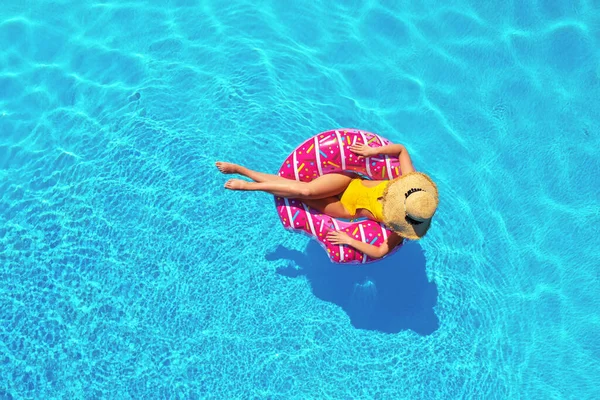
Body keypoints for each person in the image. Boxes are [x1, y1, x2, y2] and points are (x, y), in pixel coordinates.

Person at [216, 142, 438, 259]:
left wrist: (349, 240)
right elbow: (401, 149)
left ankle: (245, 174)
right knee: (307, 192)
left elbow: (380, 251)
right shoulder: (409, 181)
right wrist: (372, 152)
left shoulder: (401, 228)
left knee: (296, 192)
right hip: (350, 182)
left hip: (345, 209)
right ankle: (246, 179)